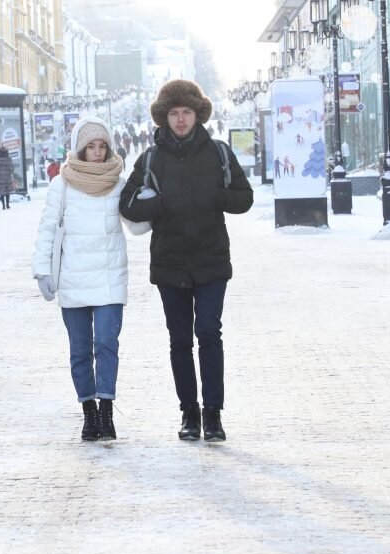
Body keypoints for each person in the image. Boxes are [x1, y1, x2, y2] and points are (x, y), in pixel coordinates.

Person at [119, 79, 253, 443]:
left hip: (210, 260)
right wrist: (157, 205)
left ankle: (213, 414)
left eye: (187, 113)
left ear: (198, 115)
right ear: (164, 117)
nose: (180, 120)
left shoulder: (219, 153)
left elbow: (244, 198)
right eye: (174, 113)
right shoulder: (150, 158)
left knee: (209, 332)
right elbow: (127, 204)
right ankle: (188, 412)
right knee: (179, 339)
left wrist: (216, 196)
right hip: (170, 262)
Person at [33, 116, 146, 442]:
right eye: (90, 147)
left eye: (102, 146)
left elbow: (137, 226)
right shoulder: (62, 185)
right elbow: (47, 231)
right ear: (79, 150)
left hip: (110, 278)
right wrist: (41, 269)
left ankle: (107, 410)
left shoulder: (119, 183)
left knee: (107, 345)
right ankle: (89, 413)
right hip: (73, 279)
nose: (97, 153)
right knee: (80, 350)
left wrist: (153, 203)